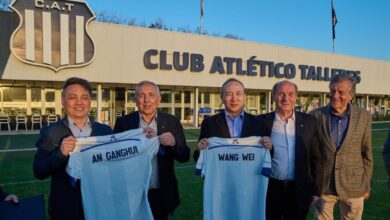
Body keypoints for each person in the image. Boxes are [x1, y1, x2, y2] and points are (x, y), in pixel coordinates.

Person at [33, 77, 113, 220]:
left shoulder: (105, 131)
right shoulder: (51, 132)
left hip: (100, 206)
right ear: (63, 101)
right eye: (72, 97)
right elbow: (39, 171)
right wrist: (60, 153)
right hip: (66, 209)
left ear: (90, 101)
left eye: (84, 97)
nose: (79, 102)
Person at [114, 80, 190, 220]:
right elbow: (115, 158)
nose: (146, 100)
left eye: (151, 95)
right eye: (141, 95)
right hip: (132, 193)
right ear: (136, 100)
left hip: (160, 193)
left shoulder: (171, 122)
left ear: (159, 100)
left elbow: (184, 156)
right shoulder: (123, 123)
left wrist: (173, 143)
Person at [310, 73, 373, 220]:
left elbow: (367, 154)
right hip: (323, 186)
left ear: (351, 95)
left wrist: (366, 184)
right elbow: (310, 154)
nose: (335, 95)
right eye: (332, 91)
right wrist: (311, 184)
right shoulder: (315, 116)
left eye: (340, 92)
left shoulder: (364, 116)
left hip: (354, 186)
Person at [259, 80, 322, 220]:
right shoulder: (261, 122)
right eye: (281, 93)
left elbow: (316, 158)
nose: (285, 98)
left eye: (290, 94)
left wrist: (316, 191)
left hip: (299, 189)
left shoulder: (310, 122)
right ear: (273, 96)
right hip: (271, 189)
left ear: (295, 97)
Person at [195, 78, 272, 157]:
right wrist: (199, 150)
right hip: (221, 169)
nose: (234, 98)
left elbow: (269, 155)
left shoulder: (259, 123)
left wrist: (270, 147)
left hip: (249, 169)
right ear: (222, 97)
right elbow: (198, 157)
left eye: (238, 94)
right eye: (229, 94)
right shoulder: (209, 123)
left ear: (244, 96)